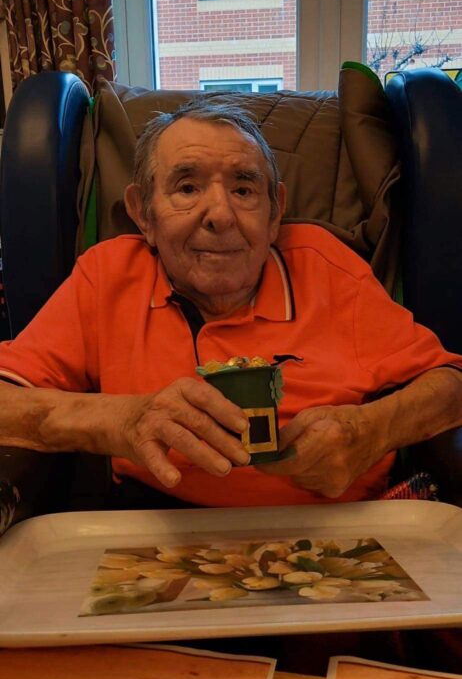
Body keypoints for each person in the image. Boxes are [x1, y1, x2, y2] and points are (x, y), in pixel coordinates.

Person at [0, 99, 462, 509]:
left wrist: (372, 430)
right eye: (187, 188)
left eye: (243, 190)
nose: (220, 216)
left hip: (338, 525)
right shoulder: (109, 275)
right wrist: (122, 420)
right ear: (144, 213)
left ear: (275, 211)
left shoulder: (328, 268)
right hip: (157, 527)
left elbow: (451, 385)